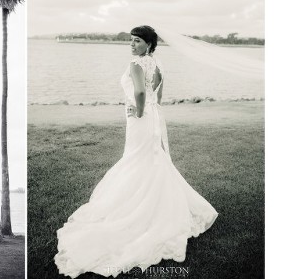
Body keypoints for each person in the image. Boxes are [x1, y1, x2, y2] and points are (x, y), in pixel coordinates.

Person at [54, 25, 219, 278]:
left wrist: (139, 111)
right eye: (131, 41)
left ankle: (135, 210)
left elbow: (141, 91)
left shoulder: (136, 64)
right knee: (152, 160)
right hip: (153, 117)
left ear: (149, 44)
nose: (132, 45)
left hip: (141, 119)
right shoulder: (158, 63)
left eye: (138, 41)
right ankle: (160, 208)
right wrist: (150, 109)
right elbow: (159, 94)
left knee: (135, 161)